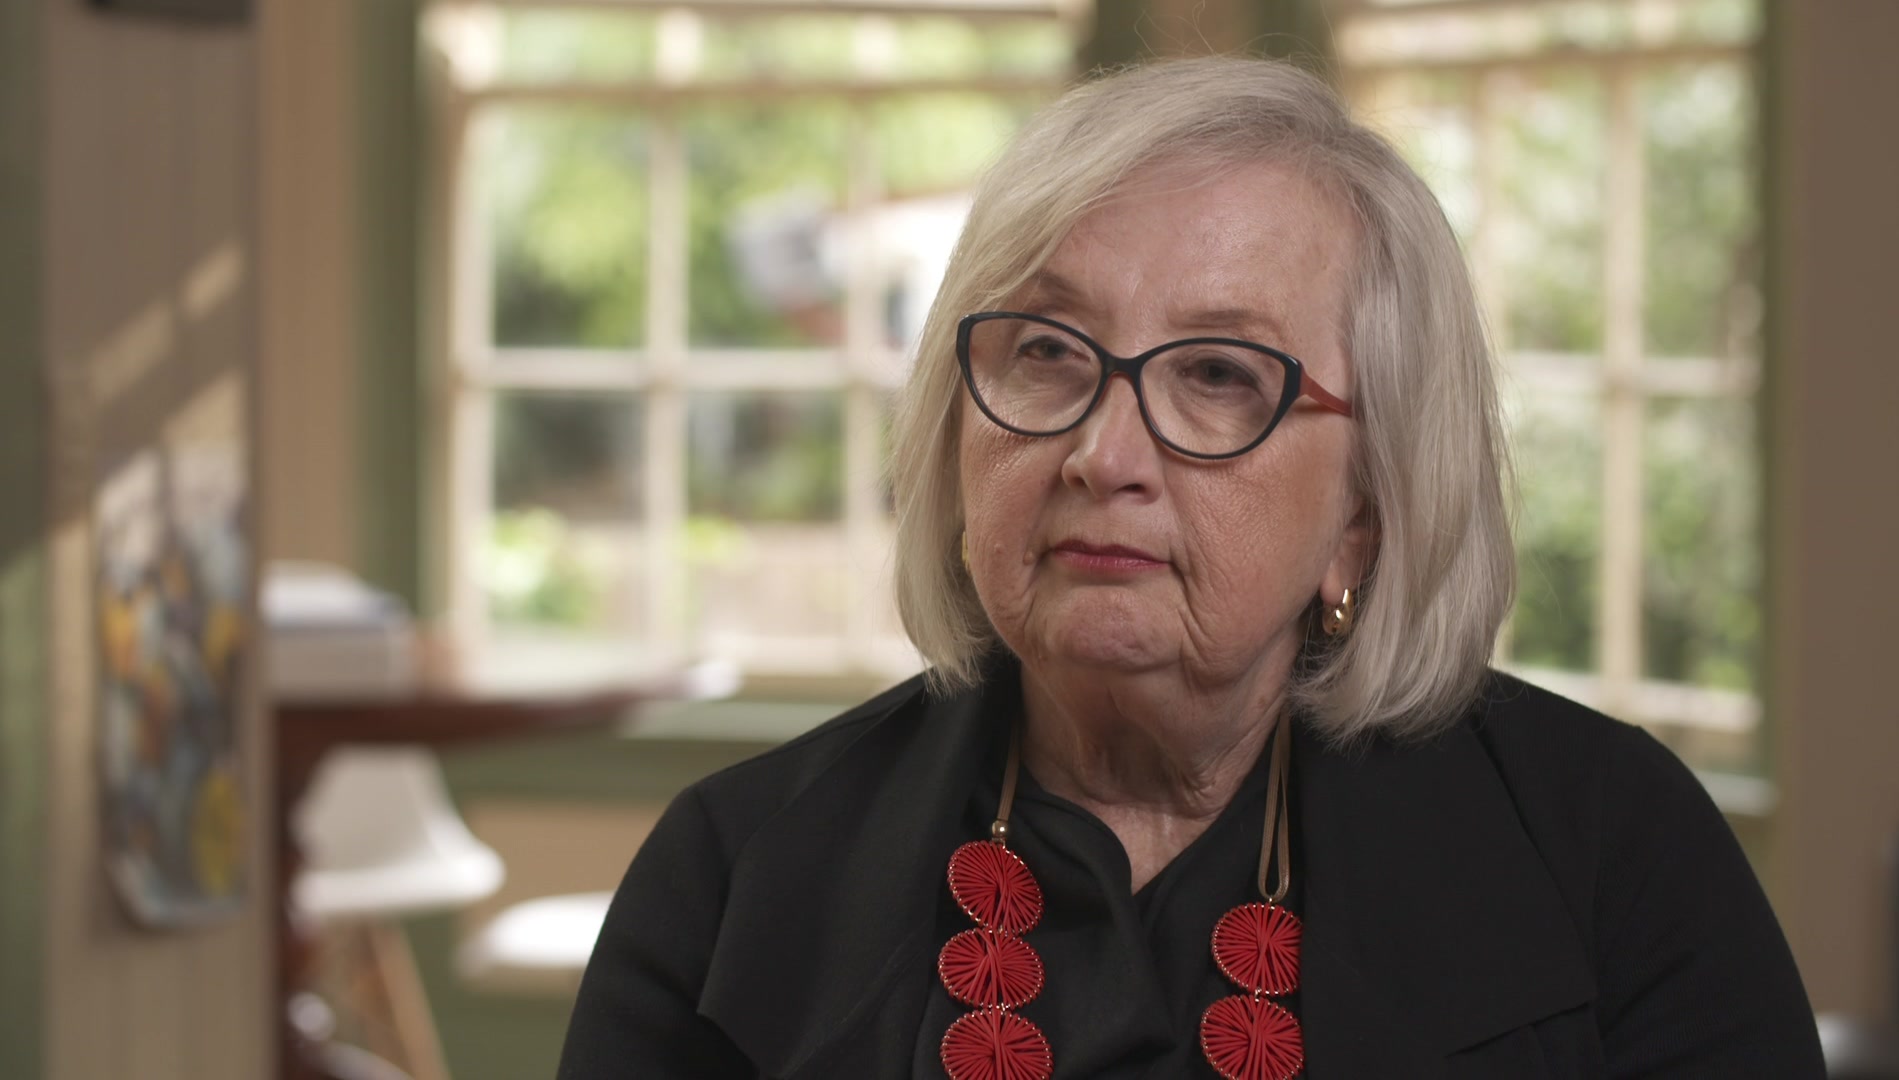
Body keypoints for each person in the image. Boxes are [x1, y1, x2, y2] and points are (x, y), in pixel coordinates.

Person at [556, 57, 1824, 1079]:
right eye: (1046, 353)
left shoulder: (1615, 855)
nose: (1105, 455)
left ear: (1366, 508)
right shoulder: (729, 875)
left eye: (1220, 374)